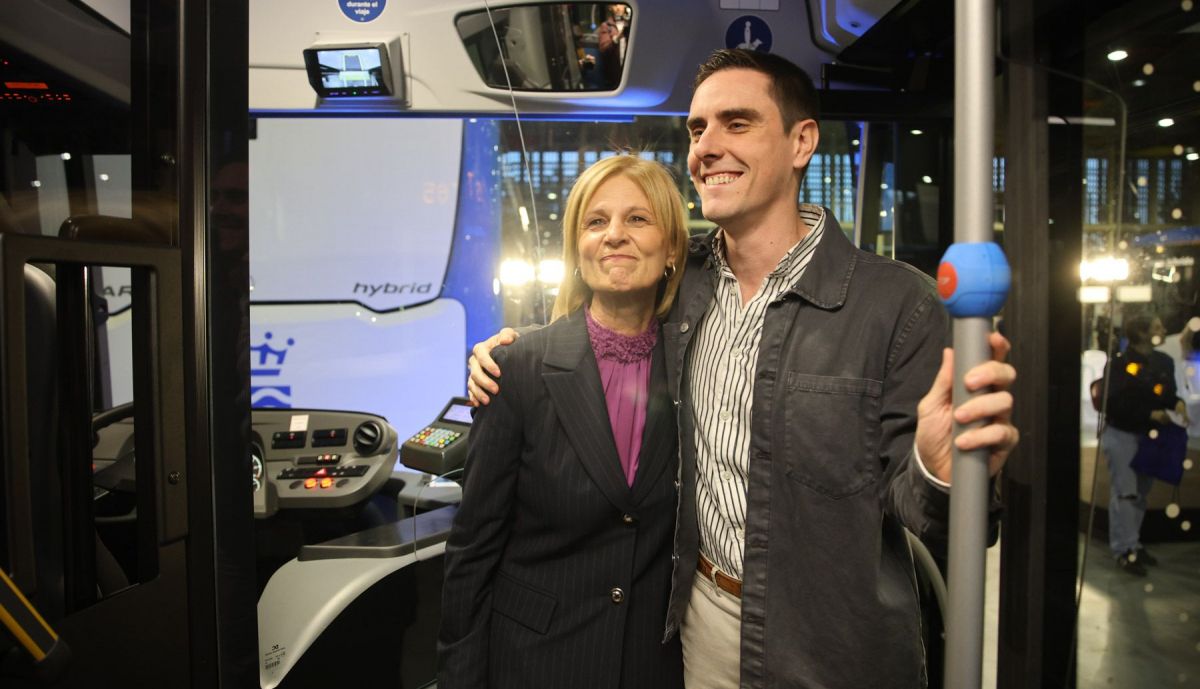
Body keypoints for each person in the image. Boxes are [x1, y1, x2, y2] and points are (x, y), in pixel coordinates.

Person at [468, 49, 1018, 689]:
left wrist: (940, 474)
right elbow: (602, 325)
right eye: (698, 129)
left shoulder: (898, 305)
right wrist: (510, 351)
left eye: (737, 123)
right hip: (698, 629)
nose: (707, 146)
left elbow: (934, 517)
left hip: (835, 648)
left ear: (801, 141)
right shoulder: (682, 285)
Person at [438, 154, 690, 689]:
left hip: (653, 666)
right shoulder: (517, 366)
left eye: (638, 219)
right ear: (578, 248)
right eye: (596, 222)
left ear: (672, 248)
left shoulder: (697, 365)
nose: (614, 235)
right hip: (536, 661)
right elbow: (474, 546)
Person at [1102, 314, 1185, 576]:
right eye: (1157, 326)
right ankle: (1123, 550)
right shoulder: (1119, 364)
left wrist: (1176, 403)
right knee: (1125, 492)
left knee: (1141, 492)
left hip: (1151, 438)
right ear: (1141, 333)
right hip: (1123, 434)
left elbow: (1167, 393)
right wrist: (1148, 414)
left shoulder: (1163, 362)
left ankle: (1133, 543)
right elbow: (1114, 402)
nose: (1162, 329)